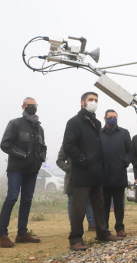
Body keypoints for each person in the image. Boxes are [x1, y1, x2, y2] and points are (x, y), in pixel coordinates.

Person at [63, 92, 121, 251]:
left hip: (97, 172)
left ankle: (103, 233)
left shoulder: (96, 123)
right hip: (81, 173)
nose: (93, 102)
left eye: (96, 100)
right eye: (90, 100)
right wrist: (83, 160)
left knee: (99, 205)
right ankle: (75, 240)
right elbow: (69, 146)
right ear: (82, 102)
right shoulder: (74, 122)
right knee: (79, 208)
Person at [0, 97, 46, 248]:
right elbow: (5, 144)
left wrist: (41, 159)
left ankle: (22, 233)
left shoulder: (39, 128)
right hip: (16, 168)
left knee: (27, 200)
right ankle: (2, 234)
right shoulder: (15, 123)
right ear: (23, 106)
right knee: (12, 198)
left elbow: (43, 147)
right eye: (30, 105)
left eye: (35, 105)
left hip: (32, 170)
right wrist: (24, 155)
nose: (33, 107)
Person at [101, 109, 133, 238]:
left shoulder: (124, 133)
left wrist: (124, 162)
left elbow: (130, 151)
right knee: (104, 205)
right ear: (105, 118)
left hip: (119, 173)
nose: (113, 119)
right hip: (103, 175)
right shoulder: (99, 133)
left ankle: (120, 228)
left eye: (115, 117)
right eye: (110, 117)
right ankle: (104, 229)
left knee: (119, 204)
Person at [56, 146, 96, 232]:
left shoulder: (87, 141)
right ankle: (74, 226)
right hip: (72, 177)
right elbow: (59, 160)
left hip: (88, 175)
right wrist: (70, 168)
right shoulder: (67, 144)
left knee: (89, 200)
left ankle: (92, 224)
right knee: (72, 201)